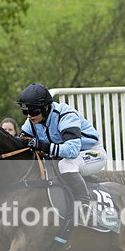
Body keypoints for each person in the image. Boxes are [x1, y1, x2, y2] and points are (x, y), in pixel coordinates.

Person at [16, 82, 108, 226]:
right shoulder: (31, 121)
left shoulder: (66, 115)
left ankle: (85, 206)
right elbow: (21, 143)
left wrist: (42, 146)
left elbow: (72, 151)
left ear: (45, 108)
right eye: (25, 112)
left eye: (33, 112)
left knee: (66, 164)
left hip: (92, 154)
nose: (29, 116)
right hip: (66, 157)